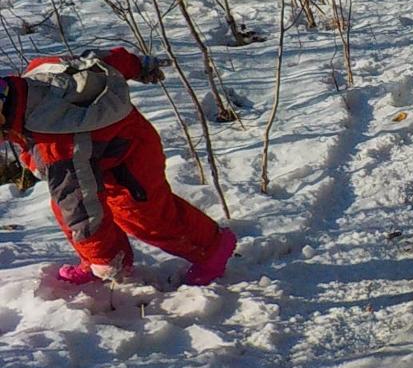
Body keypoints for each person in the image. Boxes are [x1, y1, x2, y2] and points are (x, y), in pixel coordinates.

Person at [0, 47, 237, 286]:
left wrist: (102, 257)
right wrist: (138, 65)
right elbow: (99, 61)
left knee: (143, 214)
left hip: (129, 152)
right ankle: (110, 259)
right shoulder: (36, 74)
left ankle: (212, 249)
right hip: (93, 154)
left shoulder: (53, 144)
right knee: (66, 209)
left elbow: (80, 204)